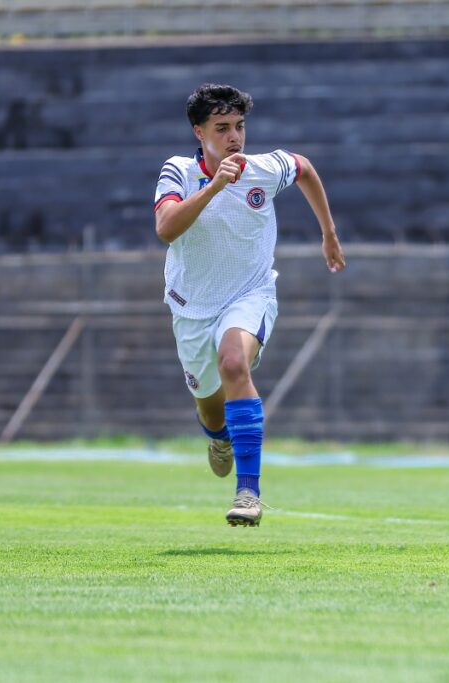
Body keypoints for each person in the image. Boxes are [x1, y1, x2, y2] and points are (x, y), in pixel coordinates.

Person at [153, 83, 345, 526]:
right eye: (222, 128)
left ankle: (249, 493)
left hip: (250, 294)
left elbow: (304, 168)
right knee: (208, 404)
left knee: (234, 362)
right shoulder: (179, 171)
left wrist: (328, 234)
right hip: (191, 307)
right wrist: (215, 186)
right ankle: (218, 435)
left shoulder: (262, 168)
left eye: (239, 126)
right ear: (199, 131)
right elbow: (165, 228)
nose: (234, 137)